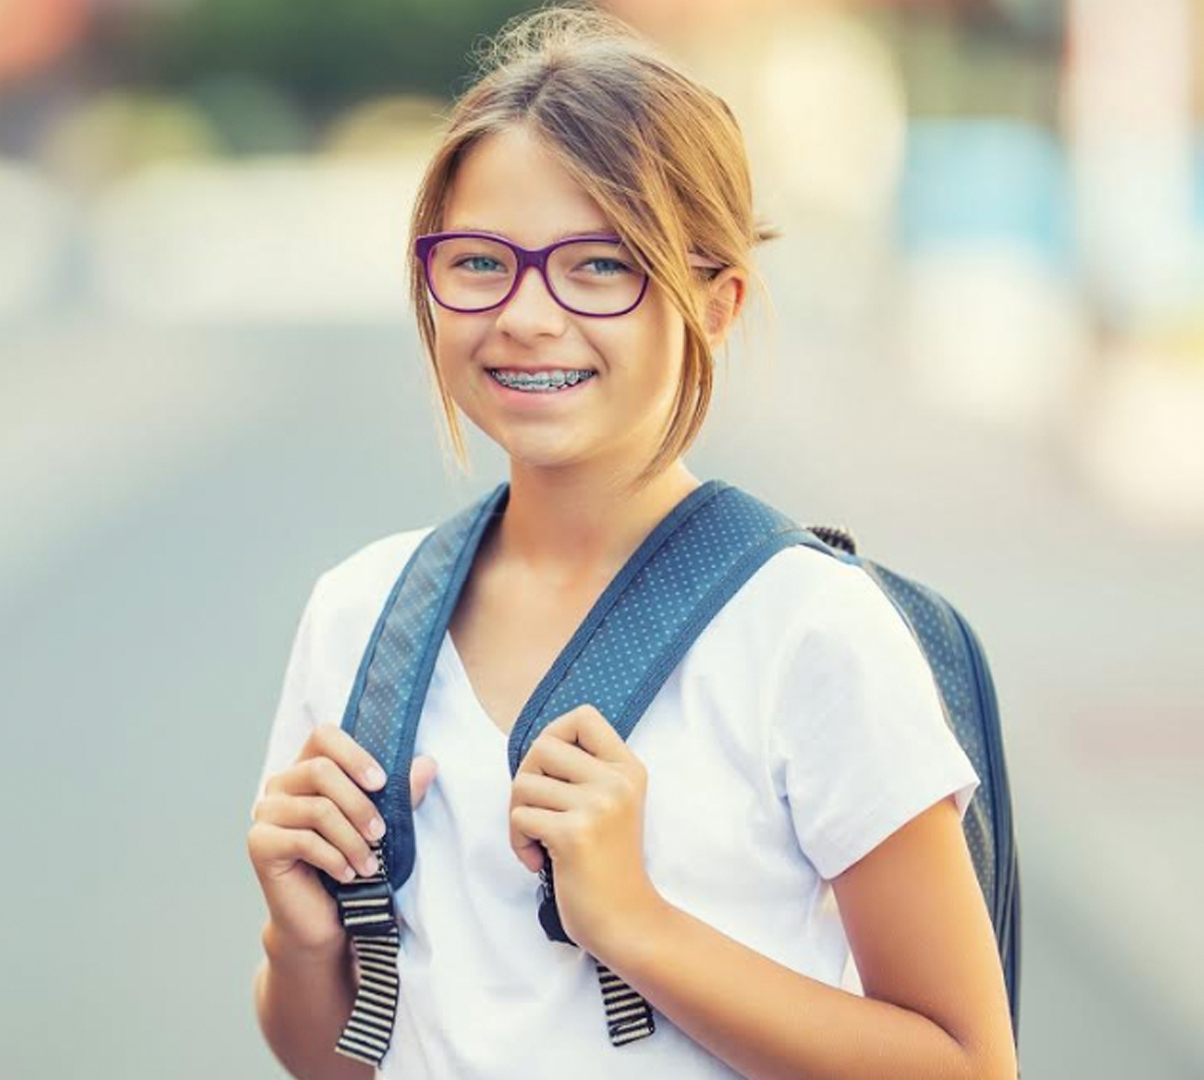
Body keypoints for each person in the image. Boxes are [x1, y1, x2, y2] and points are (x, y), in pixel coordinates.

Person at [244, 7, 1018, 1079]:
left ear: (717, 300)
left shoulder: (809, 634)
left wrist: (635, 923)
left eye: (600, 266)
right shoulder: (360, 619)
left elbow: (968, 1064)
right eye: (478, 262)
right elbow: (335, 1061)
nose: (524, 315)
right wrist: (305, 936)